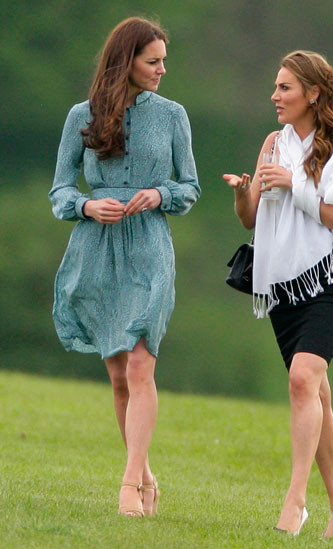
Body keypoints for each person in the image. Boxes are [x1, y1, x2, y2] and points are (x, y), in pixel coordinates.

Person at [49, 17, 200, 518]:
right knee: (118, 376)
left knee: (140, 363)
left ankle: (128, 485)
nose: (162, 70)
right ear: (126, 62)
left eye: (163, 61)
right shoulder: (82, 115)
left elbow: (190, 186)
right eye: (153, 61)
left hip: (150, 245)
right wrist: (87, 206)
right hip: (97, 247)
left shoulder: (173, 115)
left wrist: (160, 194)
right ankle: (147, 475)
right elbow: (60, 189)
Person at [223, 50, 333, 538]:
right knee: (314, 391)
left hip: (331, 282)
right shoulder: (272, 144)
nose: (275, 96)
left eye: (285, 88)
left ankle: (296, 501)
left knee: (303, 378)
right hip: (284, 286)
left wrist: (295, 185)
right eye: (276, 86)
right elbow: (250, 218)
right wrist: (243, 193)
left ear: (313, 93)